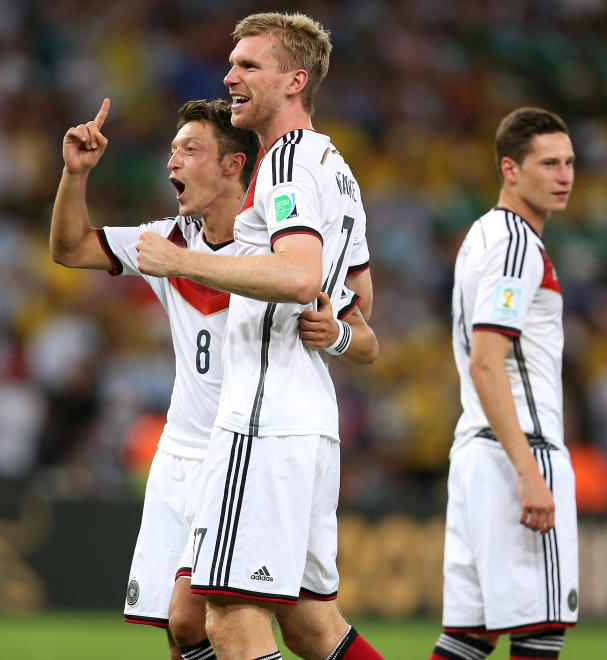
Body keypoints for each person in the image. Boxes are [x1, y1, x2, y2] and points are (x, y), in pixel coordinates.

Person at [50, 97, 377, 660]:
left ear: (233, 166)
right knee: (210, 631)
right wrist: (74, 175)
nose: (172, 162)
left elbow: (361, 331)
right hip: (184, 449)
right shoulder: (171, 240)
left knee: (198, 616)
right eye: (172, 150)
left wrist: (338, 335)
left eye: (190, 149)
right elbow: (71, 248)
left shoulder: (278, 251)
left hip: (252, 447)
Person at [136, 12, 383, 660]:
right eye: (231, 63)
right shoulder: (337, 170)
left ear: (294, 80)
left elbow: (300, 278)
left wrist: (180, 260)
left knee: (227, 621)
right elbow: (363, 328)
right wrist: (333, 335)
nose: (229, 76)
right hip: (308, 418)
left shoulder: (287, 164)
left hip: (263, 416)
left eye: (249, 65)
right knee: (311, 628)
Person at [430, 107, 579, 660]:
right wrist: (528, 472)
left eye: (568, 162)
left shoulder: (482, 235)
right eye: (548, 163)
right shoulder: (517, 244)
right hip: (517, 452)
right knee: (540, 632)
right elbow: (487, 363)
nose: (563, 175)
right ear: (510, 169)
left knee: (468, 638)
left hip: (477, 451)